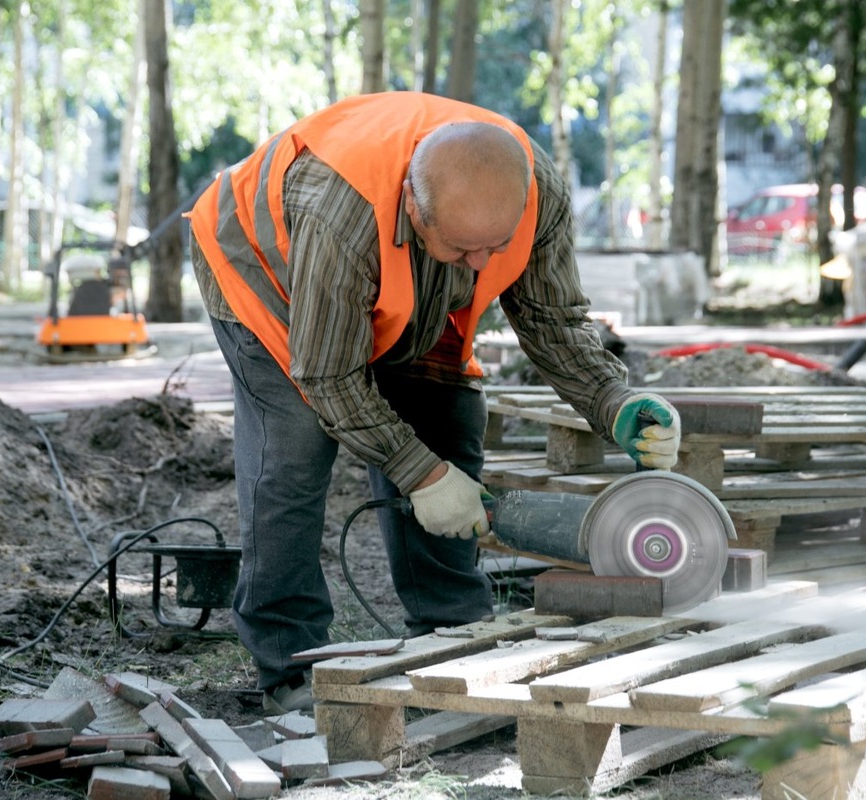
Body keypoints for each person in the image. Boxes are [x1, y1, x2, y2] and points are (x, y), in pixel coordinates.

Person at [185, 91, 681, 714]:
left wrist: (614, 400)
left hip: (390, 273)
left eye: (495, 247)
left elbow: (552, 319)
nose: (482, 265)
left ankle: (450, 632)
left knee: (447, 417)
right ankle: (289, 661)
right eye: (464, 249)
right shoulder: (341, 216)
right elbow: (329, 375)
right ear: (415, 210)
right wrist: (420, 475)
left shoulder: (536, 193)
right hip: (266, 273)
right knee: (295, 447)